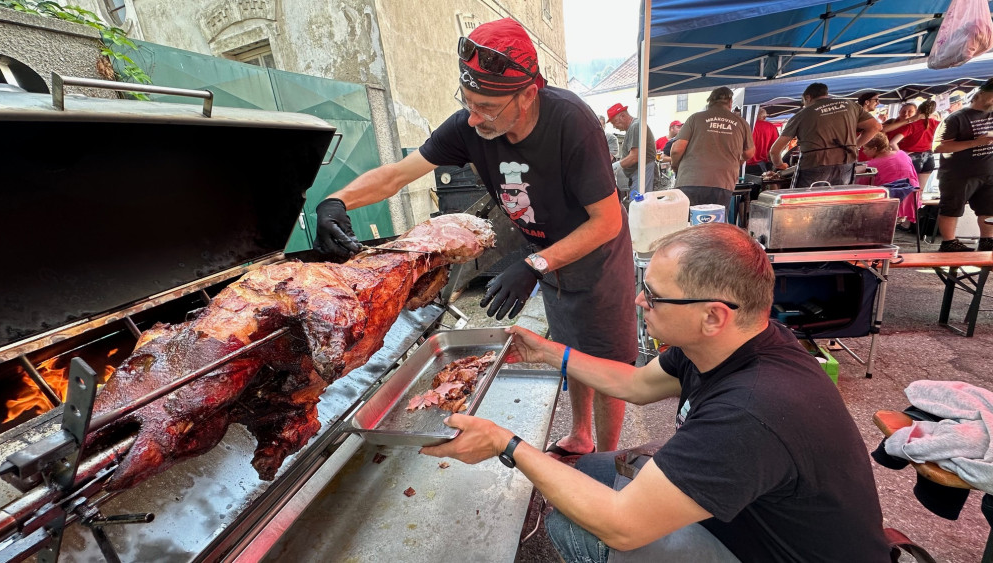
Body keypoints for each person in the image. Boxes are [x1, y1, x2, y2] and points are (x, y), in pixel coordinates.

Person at [421, 223, 891, 563]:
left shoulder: (752, 411)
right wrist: (547, 352)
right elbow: (635, 384)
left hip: (774, 552)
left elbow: (623, 526)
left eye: (655, 295)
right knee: (586, 470)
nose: (639, 301)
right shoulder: (726, 342)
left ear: (713, 315)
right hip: (747, 517)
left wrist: (506, 444)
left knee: (581, 526)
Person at [313, 17, 637, 457]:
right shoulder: (470, 126)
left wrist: (533, 265)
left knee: (604, 360)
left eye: (485, 105)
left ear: (527, 94)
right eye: (466, 101)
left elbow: (606, 222)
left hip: (596, 257)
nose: (472, 115)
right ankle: (581, 434)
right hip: (545, 253)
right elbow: (396, 175)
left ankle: (606, 459)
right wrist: (335, 202)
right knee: (568, 347)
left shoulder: (571, 121)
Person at [769, 82, 881, 187]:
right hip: (846, 162)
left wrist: (780, 165)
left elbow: (775, 150)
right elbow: (875, 127)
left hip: (814, 164)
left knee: (807, 203)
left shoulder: (802, 115)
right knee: (837, 201)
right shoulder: (850, 105)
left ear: (808, 97)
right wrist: (855, 146)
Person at [931, 78, 993, 252]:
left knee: (988, 208)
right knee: (952, 207)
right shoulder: (956, 118)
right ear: (980, 94)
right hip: (958, 174)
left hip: (987, 171)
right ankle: (949, 242)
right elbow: (938, 147)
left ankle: (987, 239)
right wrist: (976, 143)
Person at [670, 87, 754, 207]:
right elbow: (749, 153)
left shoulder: (695, 118)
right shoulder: (741, 123)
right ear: (730, 102)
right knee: (716, 223)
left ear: (709, 102)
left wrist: (675, 166)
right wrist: (736, 162)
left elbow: (677, 149)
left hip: (691, 179)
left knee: (690, 222)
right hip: (723, 181)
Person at [859, 132, 921, 229]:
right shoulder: (902, 154)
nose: (863, 151)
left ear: (875, 149)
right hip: (911, 197)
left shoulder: (872, 165)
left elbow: (862, 187)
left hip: (890, 202)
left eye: (865, 148)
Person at [887, 100, 940, 192]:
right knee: (920, 192)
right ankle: (918, 206)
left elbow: (892, 143)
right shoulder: (937, 124)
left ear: (918, 111)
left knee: (907, 191)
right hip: (929, 158)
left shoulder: (911, 125)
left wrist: (902, 155)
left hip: (912, 158)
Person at [608, 103, 660, 194]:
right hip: (640, 173)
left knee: (640, 205)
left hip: (643, 172)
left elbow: (634, 156)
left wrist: (614, 167)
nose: (614, 126)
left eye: (614, 122)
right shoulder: (634, 127)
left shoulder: (635, 126)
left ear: (623, 116)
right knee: (639, 204)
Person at [744, 108, 779, 175]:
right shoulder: (771, 127)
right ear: (764, 117)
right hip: (761, 164)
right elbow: (774, 148)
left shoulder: (746, 125)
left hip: (743, 163)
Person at [855, 91, 881, 161]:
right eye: (876, 100)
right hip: (859, 156)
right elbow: (879, 128)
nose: (878, 103)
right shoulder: (858, 117)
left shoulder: (866, 118)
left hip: (862, 154)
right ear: (867, 102)